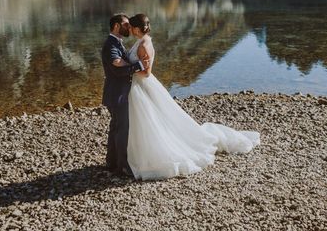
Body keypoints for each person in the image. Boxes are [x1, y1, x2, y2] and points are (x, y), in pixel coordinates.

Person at [124, 13, 260, 180]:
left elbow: (146, 72)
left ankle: (153, 156)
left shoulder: (144, 45)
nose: (128, 30)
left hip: (142, 84)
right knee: (149, 118)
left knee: (149, 119)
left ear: (136, 28)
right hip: (138, 86)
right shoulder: (142, 41)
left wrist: (127, 68)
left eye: (130, 27)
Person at [101, 14, 148, 176]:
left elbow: (119, 62)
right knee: (122, 130)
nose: (129, 27)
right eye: (126, 24)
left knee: (116, 128)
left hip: (115, 93)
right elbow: (116, 63)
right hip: (117, 95)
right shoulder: (110, 44)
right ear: (116, 26)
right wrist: (138, 65)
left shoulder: (116, 42)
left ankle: (112, 162)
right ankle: (122, 166)